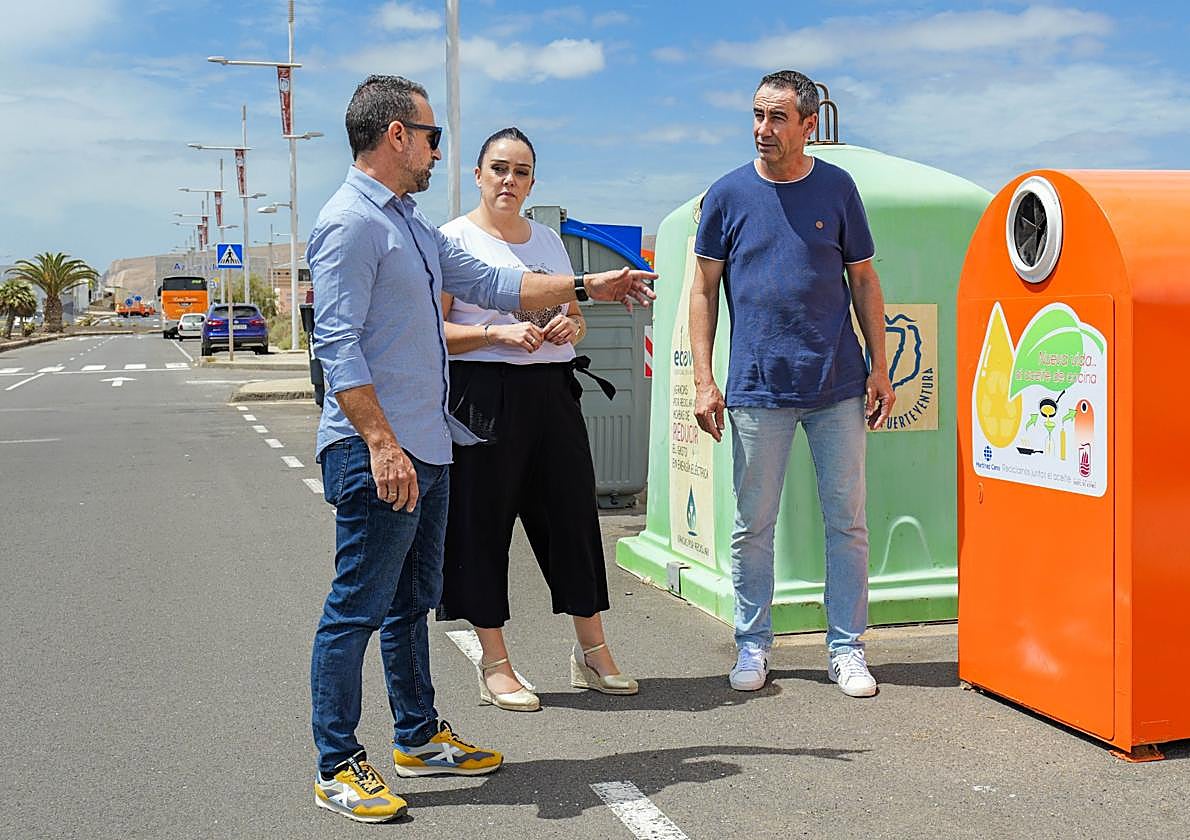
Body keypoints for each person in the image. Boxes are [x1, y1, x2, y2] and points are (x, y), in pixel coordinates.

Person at [307, 75, 654, 824]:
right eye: (431, 136)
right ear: (396, 136)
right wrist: (379, 442)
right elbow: (335, 343)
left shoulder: (409, 223)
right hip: (381, 451)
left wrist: (592, 284)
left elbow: (498, 281)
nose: (437, 149)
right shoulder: (350, 222)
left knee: (407, 608)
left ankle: (418, 735)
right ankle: (336, 763)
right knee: (355, 610)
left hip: (429, 446)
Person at [689, 70, 896, 697]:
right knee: (752, 526)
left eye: (778, 118)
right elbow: (701, 290)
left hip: (837, 384)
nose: (763, 130)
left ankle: (847, 648)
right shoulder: (725, 196)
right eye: (757, 115)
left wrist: (881, 367)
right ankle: (752, 646)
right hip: (756, 389)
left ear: (810, 125)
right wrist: (704, 380)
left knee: (848, 522)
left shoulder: (838, 190)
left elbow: (863, 281)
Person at [436, 127, 638, 713]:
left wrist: (571, 327)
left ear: (532, 182)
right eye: (499, 169)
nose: (509, 181)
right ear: (477, 174)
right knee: (484, 529)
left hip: (553, 391)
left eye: (521, 172)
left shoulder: (547, 239)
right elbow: (431, 332)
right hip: (483, 395)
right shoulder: (452, 241)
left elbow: (573, 311)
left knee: (572, 521)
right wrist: (493, 332)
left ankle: (592, 653)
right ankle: (495, 664)